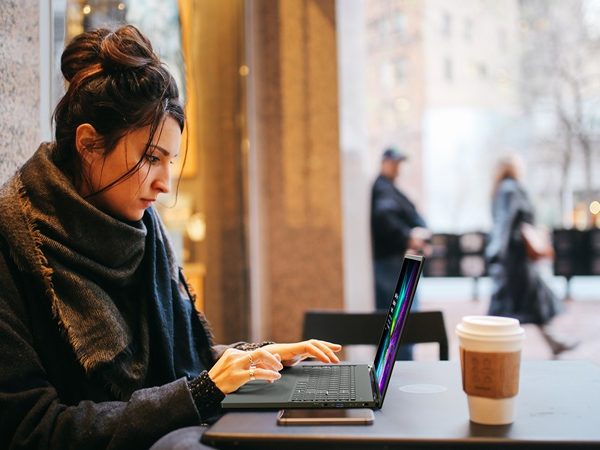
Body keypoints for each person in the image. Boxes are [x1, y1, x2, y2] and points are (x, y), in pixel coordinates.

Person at [0, 25, 340, 450]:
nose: (164, 184)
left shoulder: (144, 231)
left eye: (170, 161)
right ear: (88, 144)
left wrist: (257, 358)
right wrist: (201, 391)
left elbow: (180, 368)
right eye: (151, 159)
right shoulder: (13, 241)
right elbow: (31, 430)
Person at [485, 154, 578, 356]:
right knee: (509, 305)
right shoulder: (510, 189)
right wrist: (496, 252)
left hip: (514, 259)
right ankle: (489, 347)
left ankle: (552, 341)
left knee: (523, 302)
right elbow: (505, 222)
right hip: (513, 259)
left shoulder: (505, 189)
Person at [370, 147, 431, 360]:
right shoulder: (383, 188)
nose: (398, 167)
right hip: (391, 264)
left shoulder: (389, 188)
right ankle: (401, 369)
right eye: (394, 162)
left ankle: (401, 367)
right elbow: (384, 217)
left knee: (401, 323)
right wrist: (408, 236)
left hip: (395, 263)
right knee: (400, 323)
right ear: (384, 162)